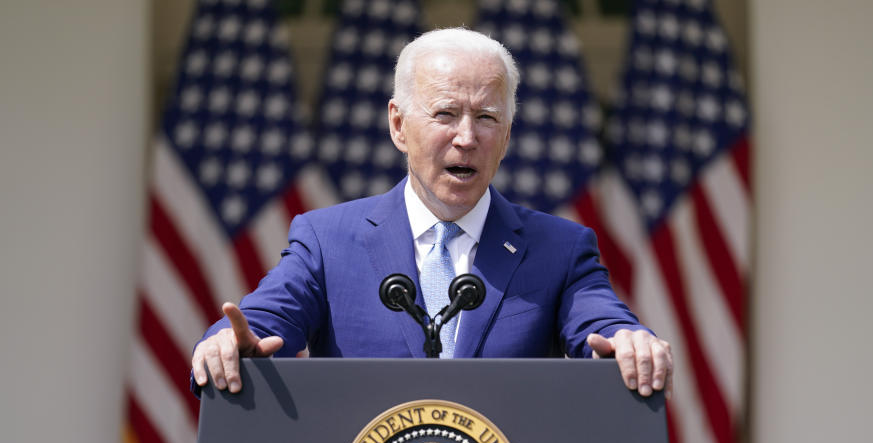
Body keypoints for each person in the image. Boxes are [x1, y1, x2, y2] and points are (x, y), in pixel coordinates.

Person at [191, 28, 673, 398]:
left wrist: (627, 339)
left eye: (487, 118)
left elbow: (603, 322)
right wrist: (227, 345)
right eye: (445, 114)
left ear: (505, 137)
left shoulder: (560, 250)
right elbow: (266, 318)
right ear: (399, 126)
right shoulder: (326, 239)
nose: (467, 137)